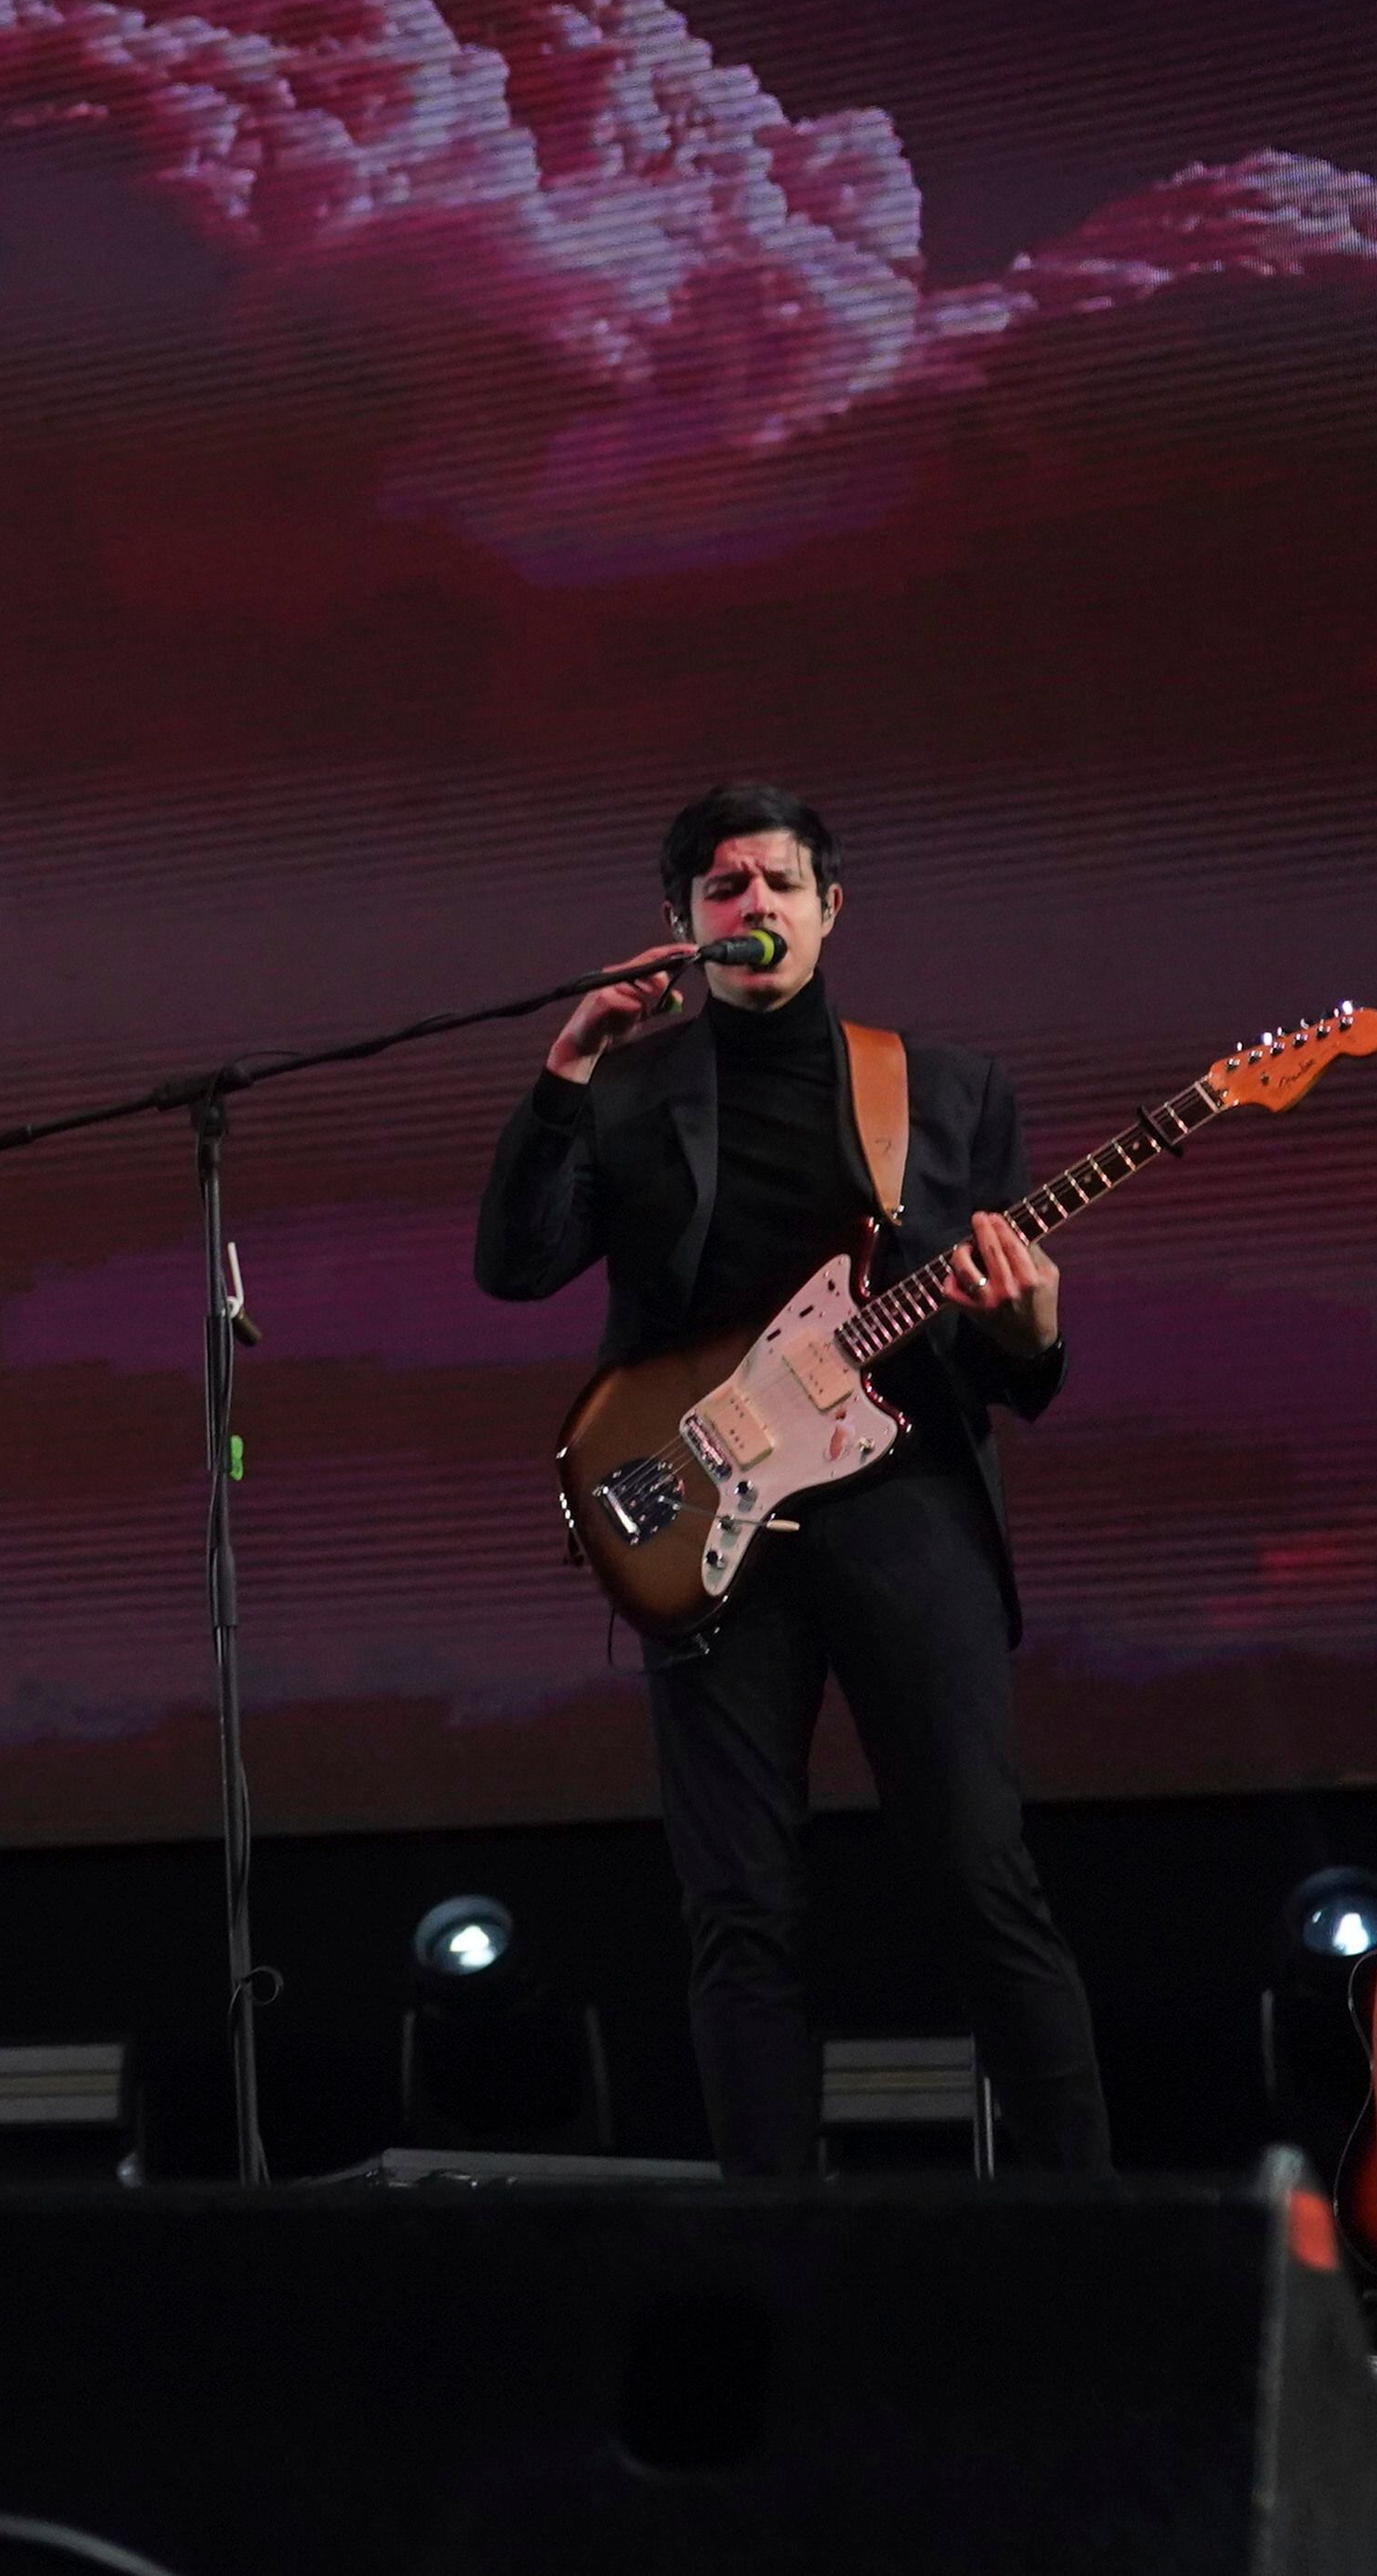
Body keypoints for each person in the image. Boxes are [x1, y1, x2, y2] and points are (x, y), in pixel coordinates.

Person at [475, 782, 1109, 2176]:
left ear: (830, 908)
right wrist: (568, 1064)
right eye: (721, 889)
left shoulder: (943, 1092)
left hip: (904, 1507)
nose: (751, 905)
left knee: (979, 1876)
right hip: (707, 1524)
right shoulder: (632, 1087)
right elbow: (514, 1266)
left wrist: (1030, 1318)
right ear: (683, 929)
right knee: (740, 1913)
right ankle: (773, 2264)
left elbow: (1017, 1368)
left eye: (775, 882)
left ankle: (1090, 2235)